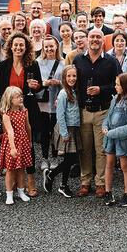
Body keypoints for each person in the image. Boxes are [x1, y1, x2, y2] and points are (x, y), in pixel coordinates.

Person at [0, 32, 43, 197]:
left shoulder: (33, 64)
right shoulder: (3, 65)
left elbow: (39, 87)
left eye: (22, 45)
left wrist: (36, 87)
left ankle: (31, 180)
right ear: (10, 47)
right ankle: (12, 181)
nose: (19, 47)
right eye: (16, 45)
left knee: (28, 144)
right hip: (8, 113)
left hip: (28, 110)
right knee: (10, 145)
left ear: (26, 47)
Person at [73, 28, 122, 197]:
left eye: (98, 37)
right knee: (85, 149)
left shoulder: (112, 61)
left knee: (101, 149)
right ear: (87, 39)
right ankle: (85, 182)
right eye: (92, 36)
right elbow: (71, 82)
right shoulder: (78, 60)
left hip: (103, 111)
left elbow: (118, 85)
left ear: (103, 40)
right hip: (83, 110)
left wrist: (101, 89)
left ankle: (100, 182)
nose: (94, 39)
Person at [102, 73, 127, 207]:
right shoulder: (115, 99)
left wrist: (112, 133)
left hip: (124, 139)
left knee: (125, 166)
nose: (115, 87)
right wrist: (105, 126)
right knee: (109, 163)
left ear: (125, 86)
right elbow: (108, 116)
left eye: (118, 84)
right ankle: (108, 191)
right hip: (111, 138)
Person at [43, 65, 81, 198]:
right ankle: (52, 175)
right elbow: (60, 115)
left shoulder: (75, 91)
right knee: (71, 158)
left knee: (70, 158)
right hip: (66, 129)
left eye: (74, 76)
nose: (71, 78)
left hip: (74, 128)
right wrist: (64, 133)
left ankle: (63, 185)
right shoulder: (64, 93)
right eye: (69, 76)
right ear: (64, 78)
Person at [0, 86, 33, 205]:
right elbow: (10, 132)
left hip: (23, 141)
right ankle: (9, 193)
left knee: (21, 168)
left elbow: (28, 127)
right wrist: (13, 148)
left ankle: (21, 191)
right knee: (10, 169)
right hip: (12, 143)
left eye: (21, 96)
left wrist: (30, 141)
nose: (20, 98)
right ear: (10, 99)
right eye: (17, 96)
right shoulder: (6, 115)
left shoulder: (24, 111)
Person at [36, 36, 64, 171]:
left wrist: (59, 83)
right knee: (44, 131)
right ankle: (44, 158)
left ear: (56, 46)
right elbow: (34, 82)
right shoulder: (38, 62)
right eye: (46, 46)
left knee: (54, 132)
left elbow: (69, 83)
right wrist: (44, 83)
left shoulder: (63, 63)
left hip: (56, 102)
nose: (49, 49)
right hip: (42, 102)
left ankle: (54, 157)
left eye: (51, 46)